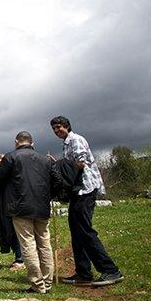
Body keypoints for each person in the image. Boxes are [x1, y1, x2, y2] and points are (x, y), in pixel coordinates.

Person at [50, 116, 124, 287]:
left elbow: (81, 163)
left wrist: (60, 165)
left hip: (86, 189)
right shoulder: (67, 143)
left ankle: (110, 270)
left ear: (67, 126)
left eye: (59, 127)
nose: (56, 131)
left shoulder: (76, 140)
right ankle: (84, 273)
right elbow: (71, 165)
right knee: (76, 231)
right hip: (78, 191)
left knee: (84, 230)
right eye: (54, 129)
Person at [0, 131, 55, 294]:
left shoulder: (10, 157)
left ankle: (37, 284)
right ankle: (47, 282)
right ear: (32, 143)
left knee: (28, 244)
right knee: (45, 243)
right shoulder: (45, 159)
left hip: (20, 206)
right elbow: (56, 180)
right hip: (42, 206)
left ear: (16, 142)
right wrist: (48, 196)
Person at [0, 154, 25, 271]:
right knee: (8, 232)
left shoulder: (11, 171)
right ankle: (19, 257)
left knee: (15, 232)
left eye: (1, 162)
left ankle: (20, 259)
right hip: (2, 206)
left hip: (12, 205)